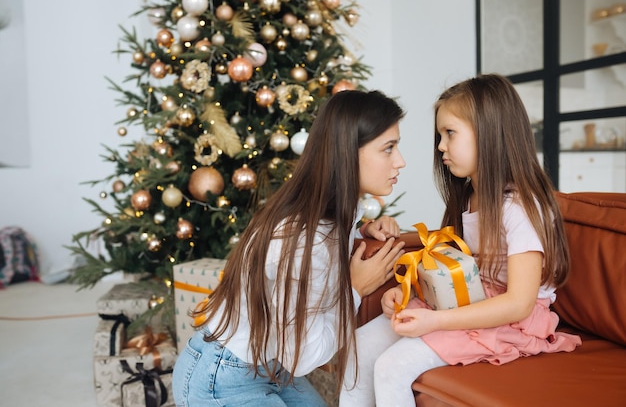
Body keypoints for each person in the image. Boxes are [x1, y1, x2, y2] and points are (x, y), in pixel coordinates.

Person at [339, 74, 582, 407]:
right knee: (358, 350)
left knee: (392, 367)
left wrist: (435, 320)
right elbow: (459, 271)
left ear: (489, 134)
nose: (440, 146)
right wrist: (408, 293)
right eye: (440, 135)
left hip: (510, 320)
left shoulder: (522, 207)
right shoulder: (470, 198)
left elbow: (518, 303)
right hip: (469, 301)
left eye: (449, 133)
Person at [172, 89, 408, 406]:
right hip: (222, 377)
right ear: (348, 153)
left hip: (272, 368)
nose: (401, 162)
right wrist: (354, 288)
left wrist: (363, 231)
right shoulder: (304, 239)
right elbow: (304, 357)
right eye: (388, 149)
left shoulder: (332, 212)